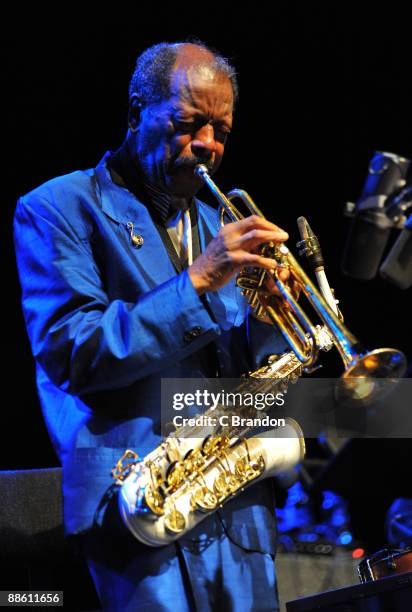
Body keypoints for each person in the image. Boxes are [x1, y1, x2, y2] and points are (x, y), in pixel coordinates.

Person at [14, 41, 294, 611]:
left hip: (239, 515)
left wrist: (275, 321)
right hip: (135, 509)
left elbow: (257, 385)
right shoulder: (58, 208)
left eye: (221, 130)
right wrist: (195, 282)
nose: (208, 146)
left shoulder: (226, 223)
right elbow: (76, 353)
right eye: (190, 123)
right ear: (137, 110)